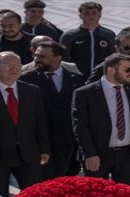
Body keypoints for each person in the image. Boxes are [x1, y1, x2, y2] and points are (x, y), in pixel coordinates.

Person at [0, 52, 48, 197]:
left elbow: (40, 122)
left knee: (33, 196)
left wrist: (44, 149)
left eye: (17, 66)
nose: (14, 69)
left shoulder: (31, 90)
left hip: (28, 154)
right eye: (7, 66)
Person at [72, 53, 130, 187]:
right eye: (127, 70)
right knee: (97, 194)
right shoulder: (85, 93)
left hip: (128, 154)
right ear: (111, 70)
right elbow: (80, 126)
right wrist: (90, 154)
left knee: (127, 194)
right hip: (99, 153)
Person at [20, 41, 84, 180]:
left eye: (42, 56)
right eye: (36, 55)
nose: (37, 59)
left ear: (58, 57)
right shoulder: (26, 78)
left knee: (61, 177)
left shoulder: (75, 79)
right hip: (38, 140)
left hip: (65, 139)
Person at [60, 1, 116, 78]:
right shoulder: (69, 36)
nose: (90, 16)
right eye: (86, 13)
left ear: (100, 15)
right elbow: (63, 60)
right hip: (77, 78)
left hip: (102, 78)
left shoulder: (109, 35)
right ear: (80, 16)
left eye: (94, 13)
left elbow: (113, 57)